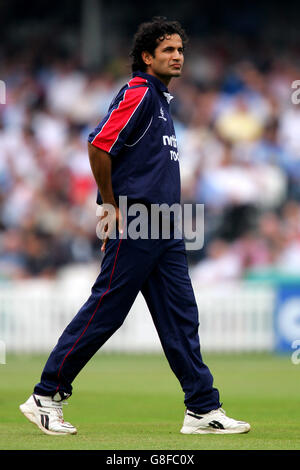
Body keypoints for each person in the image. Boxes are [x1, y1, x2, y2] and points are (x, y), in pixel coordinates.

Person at [20, 17, 250, 436]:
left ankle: (202, 408)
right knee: (105, 312)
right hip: (138, 221)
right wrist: (110, 205)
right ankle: (45, 395)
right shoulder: (140, 92)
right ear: (147, 57)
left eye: (180, 50)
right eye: (168, 50)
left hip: (165, 227)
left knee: (181, 318)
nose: (178, 56)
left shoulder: (161, 101)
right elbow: (99, 143)